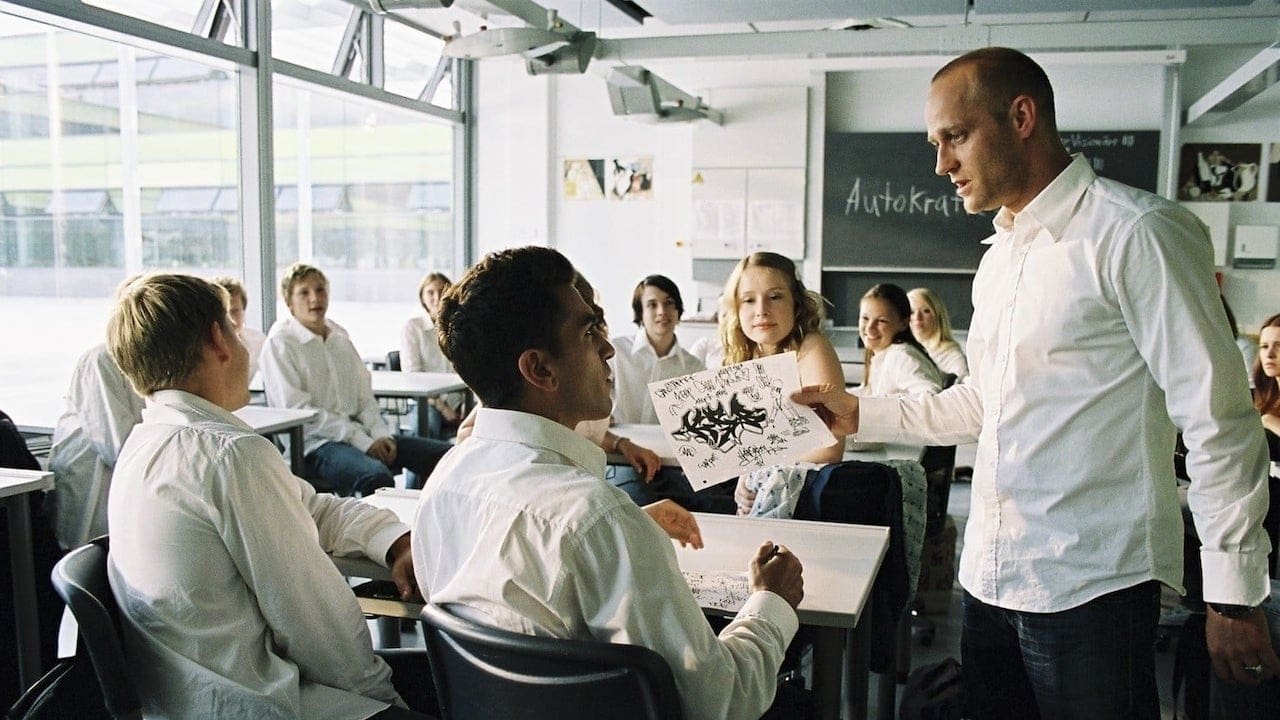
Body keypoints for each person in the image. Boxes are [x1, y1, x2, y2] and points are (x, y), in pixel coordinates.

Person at [791, 47, 1278, 719]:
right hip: (990, 580)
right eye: (935, 143)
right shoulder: (1001, 257)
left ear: (1021, 117)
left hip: (1093, 587)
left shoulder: (1136, 233)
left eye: (956, 136)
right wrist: (858, 413)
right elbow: (983, 404)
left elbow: (1218, 418)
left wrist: (1233, 595)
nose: (941, 164)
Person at [413, 246, 805, 720]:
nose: (608, 347)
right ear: (540, 369)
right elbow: (721, 702)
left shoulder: (444, 484)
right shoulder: (598, 520)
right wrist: (771, 601)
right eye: (588, 332)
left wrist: (627, 527)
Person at [105, 273, 432, 720]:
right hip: (261, 703)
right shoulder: (228, 455)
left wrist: (392, 539)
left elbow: (311, 508)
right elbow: (316, 624)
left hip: (190, 698)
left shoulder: (148, 443)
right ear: (218, 339)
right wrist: (390, 703)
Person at [260, 263, 451, 495]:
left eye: (320, 290)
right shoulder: (280, 344)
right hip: (316, 445)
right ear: (289, 302)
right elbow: (302, 414)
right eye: (304, 292)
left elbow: (364, 398)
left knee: (448, 456)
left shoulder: (339, 336)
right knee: (376, 475)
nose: (315, 298)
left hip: (362, 435)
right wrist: (363, 441)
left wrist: (380, 434)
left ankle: (423, 513)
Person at [48, 342, 144, 550]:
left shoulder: (173, 363)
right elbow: (117, 447)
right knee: (89, 556)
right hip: (93, 486)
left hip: (128, 490)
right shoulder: (102, 360)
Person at [610, 274, 705, 425]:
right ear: (640, 313)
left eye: (669, 303)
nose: (662, 311)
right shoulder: (615, 352)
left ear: (678, 310)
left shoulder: (694, 368)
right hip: (618, 439)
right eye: (652, 305)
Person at [399, 272, 465, 439]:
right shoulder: (413, 328)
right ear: (422, 298)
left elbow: (470, 369)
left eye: (442, 291)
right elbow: (414, 377)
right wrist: (443, 408)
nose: (437, 297)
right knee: (429, 426)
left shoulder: (461, 326)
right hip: (427, 403)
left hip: (459, 401)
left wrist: (466, 404)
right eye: (430, 292)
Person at [857, 283, 945, 397]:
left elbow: (931, 395)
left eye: (882, 321)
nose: (870, 327)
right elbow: (868, 393)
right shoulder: (882, 354)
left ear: (903, 323)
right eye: (865, 318)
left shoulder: (901, 356)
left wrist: (885, 402)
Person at [211, 276, 267, 380]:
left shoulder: (259, 342)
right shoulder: (203, 350)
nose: (231, 320)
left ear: (243, 311)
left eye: (235, 311)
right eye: (224, 313)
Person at [907, 287, 969, 380]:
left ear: (938, 316)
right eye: (912, 312)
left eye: (926, 311)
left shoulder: (952, 355)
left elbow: (962, 383)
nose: (917, 317)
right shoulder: (900, 348)